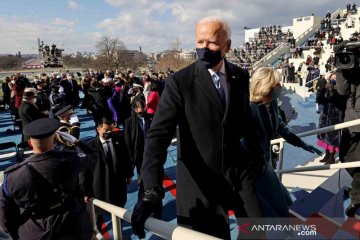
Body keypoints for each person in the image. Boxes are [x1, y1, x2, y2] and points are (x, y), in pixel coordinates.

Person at [131, 16, 266, 239]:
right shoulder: (180, 82)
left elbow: (246, 122)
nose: (204, 48)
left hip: (238, 173)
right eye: (199, 42)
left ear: (227, 45)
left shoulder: (240, 76)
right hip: (199, 182)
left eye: (211, 42)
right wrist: (151, 189)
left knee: (258, 232)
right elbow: (158, 137)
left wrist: (258, 155)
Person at [0, 118, 98, 240]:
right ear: (55, 140)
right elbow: (93, 155)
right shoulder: (69, 161)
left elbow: (5, 219)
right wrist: (77, 142)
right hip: (73, 228)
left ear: (30, 144)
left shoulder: (12, 176)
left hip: (34, 233)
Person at [79, 117, 133, 213]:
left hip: (118, 181)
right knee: (98, 211)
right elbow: (84, 171)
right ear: (98, 129)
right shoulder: (89, 147)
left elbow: (126, 158)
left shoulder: (119, 139)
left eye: (111, 130)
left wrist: (129, 174)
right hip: (100, 184)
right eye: (106, 131)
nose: (109, 133)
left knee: (119, 205)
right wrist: (85, 191)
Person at [336, 65, 360, 216]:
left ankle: (356, 197)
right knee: (345, 157)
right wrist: (341, 68)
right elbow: (342, 90)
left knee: (358, 163)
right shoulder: (353, 69)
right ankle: (357, 190)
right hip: (349, 124)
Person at [124, 99, 152, 200]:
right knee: (139, 172)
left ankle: (144, 191)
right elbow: (127, 140)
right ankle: (142, 192)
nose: (143, 108)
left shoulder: (150, 118)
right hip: (137, 152)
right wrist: (130, 155)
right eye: (140, 106)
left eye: (143, 106)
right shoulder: (129, 122)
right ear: (135, 109)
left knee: (146, 173)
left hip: (149, 150)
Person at [316, 73, 346, 164]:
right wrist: (322, 90)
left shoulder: (341, 90)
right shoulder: (326, 88)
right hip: (325, 117)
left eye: (335, 78)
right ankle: (327, 154)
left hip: (335, 117)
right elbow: (320, 100)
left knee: (332, 138)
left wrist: (335, 90)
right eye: (332, 78)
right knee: (324, 136)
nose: (333, 79)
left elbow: (340, 102)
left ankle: (332, 157)